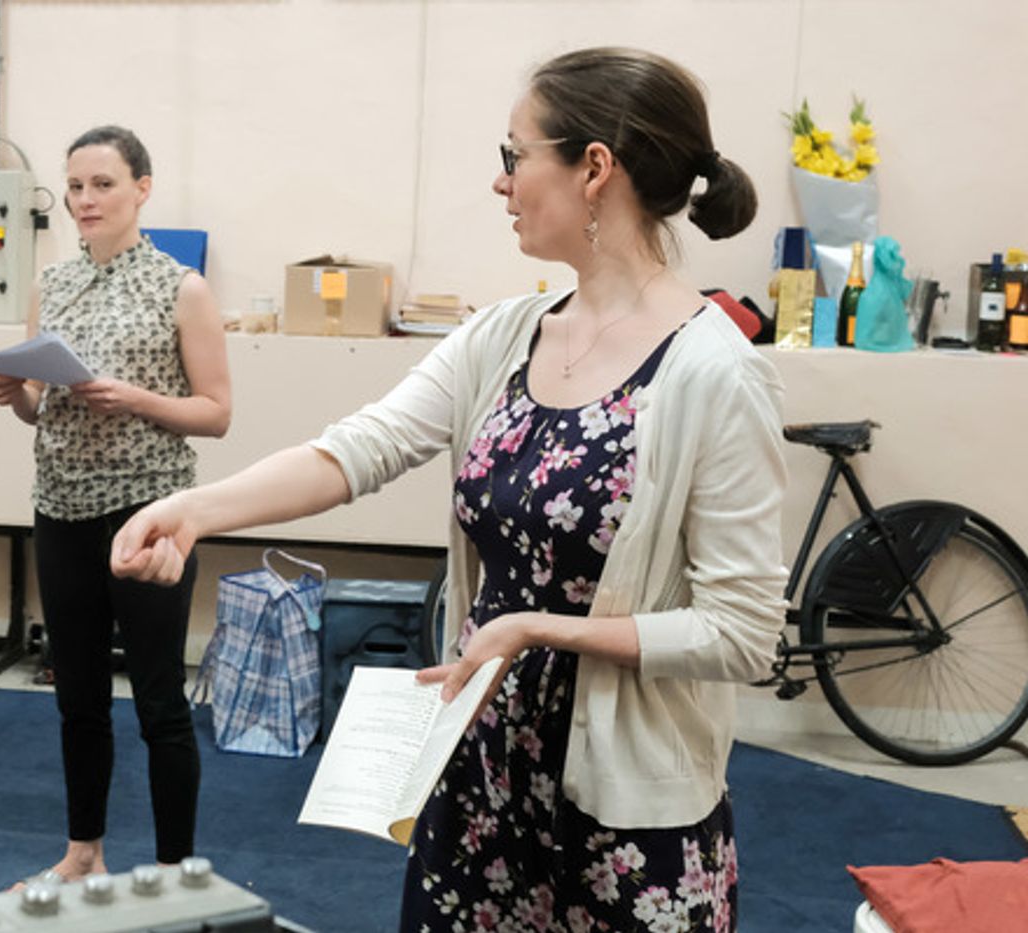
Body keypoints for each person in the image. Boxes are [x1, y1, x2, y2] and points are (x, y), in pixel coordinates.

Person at [112, 46, 785, 932]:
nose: (502, 183)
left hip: (624, 815)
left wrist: (537, 628)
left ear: (594, 169)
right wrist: (191, 511)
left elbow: (743, 633)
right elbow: (359, 448)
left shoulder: (715, 372)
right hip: (477, 774)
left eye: (516, 155)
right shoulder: (507, 334)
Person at [0, 125, 231, 882]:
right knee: (79, 696)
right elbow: (40, 409)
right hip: (59, 509)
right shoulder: (50, 284)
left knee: (160, 700)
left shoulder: (181, 287)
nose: (85, 201)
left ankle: (172, 871)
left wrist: (138, 400)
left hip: (149, 517)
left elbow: (216, 412)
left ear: (142, 190)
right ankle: (83, 851)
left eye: (103, 185)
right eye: (76, 187)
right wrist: (14, 393)